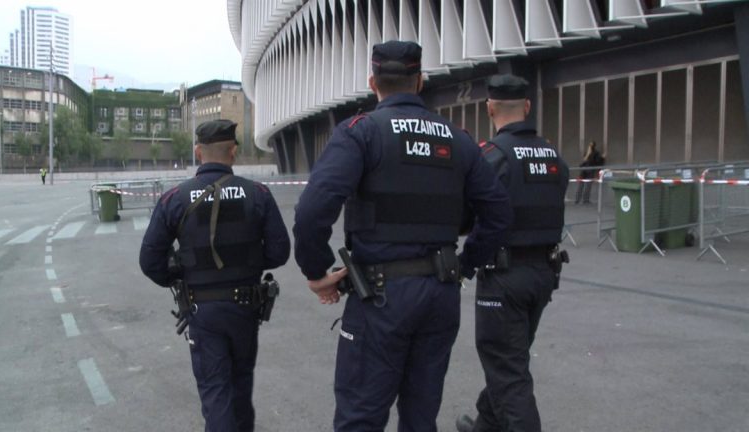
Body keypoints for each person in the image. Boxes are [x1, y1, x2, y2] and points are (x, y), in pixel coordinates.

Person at [293, 40, 512, 432]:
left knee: (361, 415)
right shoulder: (457, 138)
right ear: (421, 81)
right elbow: (497, 212)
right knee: (420, 416)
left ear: (372, 81)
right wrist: (464, 266)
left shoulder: (361, 133)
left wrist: (316, 271)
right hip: (440, 296)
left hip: (381, 296)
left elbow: (312, 210)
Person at [139, 119, 290, 432]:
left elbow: (150, 261)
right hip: (246, 308)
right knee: (240, 389)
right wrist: (248, 266)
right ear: (233, 152)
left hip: (202, 310)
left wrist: (181, 272)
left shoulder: (174, 199)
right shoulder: (258, 194)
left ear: (198, 152)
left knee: (215, 391)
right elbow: (279, 252)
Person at [456, 74, 569, 432]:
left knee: (507, 370)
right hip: (543, 274)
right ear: (528, 106)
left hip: (504, 278)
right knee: (509, 361)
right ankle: (485, 426)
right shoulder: (553, 155)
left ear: (489, 108)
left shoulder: (491, 157)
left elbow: (467, 215)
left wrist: (464, 262)